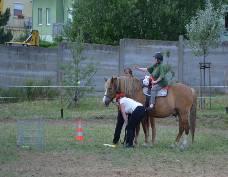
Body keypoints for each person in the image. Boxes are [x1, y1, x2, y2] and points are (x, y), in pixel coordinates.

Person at [112, 68, 133, 145]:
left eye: (127, 73)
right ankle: (115, 140)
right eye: (125, 73)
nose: (126, 75)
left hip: (130, 108)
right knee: (119, 125)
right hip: (122, 107)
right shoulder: (121, 84)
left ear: (131, 74)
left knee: (129, 125)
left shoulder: (133, 84)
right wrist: (117, 100)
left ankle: (128, 141)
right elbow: (117, 94)